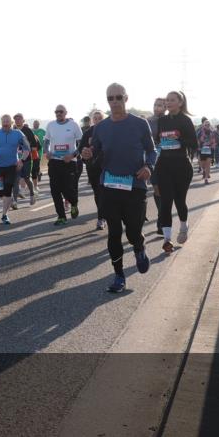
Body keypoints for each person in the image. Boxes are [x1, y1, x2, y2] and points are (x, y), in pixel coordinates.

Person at [81, 84, 155, 293]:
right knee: (114, 232)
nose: (114, 102)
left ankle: (139, 248)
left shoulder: (140, 124)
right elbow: (95, 152)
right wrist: (88, 154)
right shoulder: (101, 127)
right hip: (109, 186)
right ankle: (119, 275)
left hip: (134, 185)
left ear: (126, 98)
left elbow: (152, 150)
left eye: (118, 97)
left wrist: (148, 166)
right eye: (110, 98)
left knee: (133, 232)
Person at [154, 91, 198, 254]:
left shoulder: (185, 120)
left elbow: (194, 144)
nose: (168, 103)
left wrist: (178, 139)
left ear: (180, 103)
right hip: (164, 165)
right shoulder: (162, 120)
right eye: (167, 100)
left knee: (179, 201)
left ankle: (184, 226)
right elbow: (159, 142)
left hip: (181, 166)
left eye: (172, 100)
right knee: (165, 202)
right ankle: (167, 240)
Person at [43, 104, 82, 225]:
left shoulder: (73, 125)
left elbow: (81, 143)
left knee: (67, 188)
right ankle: (61, 216)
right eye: (56, 112)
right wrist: (46, 152)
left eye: (60, 112)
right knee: (55, 190)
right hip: (54, 162)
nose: (58, 114)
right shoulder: (51, 125)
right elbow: (46, 142)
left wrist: (72, 155)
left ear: (66, 113)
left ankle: (74, 203)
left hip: (69, 162)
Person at [0, 114, 29, 225]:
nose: (5, 124)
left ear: (11, 123)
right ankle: (8, 201)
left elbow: (27, 148)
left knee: (7, 190)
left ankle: (4, 215)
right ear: (1, 122)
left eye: (7, 122)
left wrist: (21, 160)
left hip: (12, 166)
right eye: (4, 122)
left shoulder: (18, 134)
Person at [79, 110, 106, 230]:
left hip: (107, 166)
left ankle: (107, 214)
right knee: (98, 192)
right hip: (93, 167)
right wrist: (85, 157)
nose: (97, 120)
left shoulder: (109, 130)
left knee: (107, 193)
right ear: (92, 120)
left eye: (99, 117)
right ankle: (101, 218)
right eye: (95, 118)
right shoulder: (88, 132)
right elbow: (81, 149)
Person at [14, 113, 40, 205]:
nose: (17, 120)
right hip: (15, 158)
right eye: (16, 119)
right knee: (16, 179)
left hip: (27, 158)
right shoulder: (12, 130)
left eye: (19, 118)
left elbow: (34, 145)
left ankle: (32, 195)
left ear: (23, 120)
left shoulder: (28, 130)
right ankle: (15, 202)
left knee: (26, 178)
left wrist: (26, 147)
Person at [196, 118, 218, 184]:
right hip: (201, 149)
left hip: (209, 149)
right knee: (202, 164)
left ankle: (206, 179)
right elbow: (196, 139)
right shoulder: (199, 131)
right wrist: (199, 145)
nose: (207, 125)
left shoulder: (212, 132)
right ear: (203, 125)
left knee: (208, 163)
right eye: (206, 124)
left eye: (208, 124)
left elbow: (216, 140)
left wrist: (213, 145)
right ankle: (204, 170)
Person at [31, 120, 46, 184]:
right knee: (33, 163)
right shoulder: (31, 131)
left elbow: (47, 138)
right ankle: (38, 173)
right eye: (35, 123)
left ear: (39, 124)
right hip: (32, 150)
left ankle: (37, 173)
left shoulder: (42, 131)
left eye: (37, 123)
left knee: (37, 162)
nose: (36, 124)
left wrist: (44, 144)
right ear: (33, 124)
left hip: (39, 149)